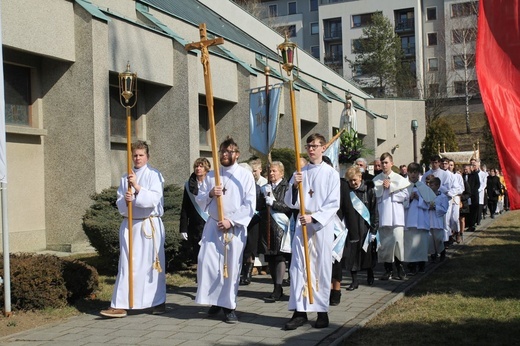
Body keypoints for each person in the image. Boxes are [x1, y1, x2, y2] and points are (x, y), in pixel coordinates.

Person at [100, 141, 166, 318]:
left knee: (151, 265)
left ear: (147, 156)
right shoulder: (125, 177)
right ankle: (121, 303)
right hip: (130, 225)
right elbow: (120, 204)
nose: (137, 158)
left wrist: (137, 188)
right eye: (135, 155)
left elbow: (153, 200)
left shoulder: (154, 175)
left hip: (148, 225)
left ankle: (157, 300)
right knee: (128, 264)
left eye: (141, 155)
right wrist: (126, 200)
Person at [195, 137, 256, 324]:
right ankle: (215, 301)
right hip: (213, 225)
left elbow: (250, 204)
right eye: (222, 151)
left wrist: (232, 221)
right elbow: (200, 199)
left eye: (229, 151)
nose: (225, 154)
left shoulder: (244, 176)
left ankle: (229, 306)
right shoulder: (212, 175)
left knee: (230, 267)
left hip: (233, 228)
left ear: (236, 154)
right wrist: (211, 193)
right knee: (208, 263)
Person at [283, 133, 340, 330]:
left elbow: (333, 203)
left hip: (320, 226)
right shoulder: (301, 171)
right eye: (309, 146)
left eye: (315, 146)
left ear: (323, 148)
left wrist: (314, 218)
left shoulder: (330, 173)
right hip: (301, 224)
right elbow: (290, 202)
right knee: (298, 268)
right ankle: (300, 312)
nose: (311, 149)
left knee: (320, 268)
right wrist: (293, 184)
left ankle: (322, 312)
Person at [373, 152, 410, 280]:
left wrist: (391, 188)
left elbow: (406, 196)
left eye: (386, 162)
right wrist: (382, 188)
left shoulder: (400, 179)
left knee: (398, 242)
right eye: (382, 163)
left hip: (396, 216)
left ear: (392, 163)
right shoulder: (376, 179)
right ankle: (387, 270)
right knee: (385, 244)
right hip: (383, 215)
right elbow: (374, 196)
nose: (384, 165)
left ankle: (400, 269)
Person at [258, 161, 292, 301]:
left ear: (281, 173)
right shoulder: (264, 188)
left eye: (274, 171)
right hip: (267, 227)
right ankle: (275, 286)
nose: (271, 173)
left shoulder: (288, 187)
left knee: (280, 257)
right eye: (270, 171)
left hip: (281, 227)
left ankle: (278, 288)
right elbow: (259, 206)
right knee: (270, 258)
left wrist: (273, 203)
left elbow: (288, 206)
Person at [342, 166, 378, 289]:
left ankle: (370, 273)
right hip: (351, 226)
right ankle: (354, 280)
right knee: (351, 253)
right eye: (350, 180)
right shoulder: (346, 191)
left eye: (355, 180)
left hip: (365, 227)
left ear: (360, 177)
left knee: (366, 253)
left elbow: (374, 211)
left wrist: (374, 229)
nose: (353, 183)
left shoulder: (369, 190)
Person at [404, 163, 435, 275]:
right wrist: (410, 199)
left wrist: (419, 200)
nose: (413, 174)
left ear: (419, 174)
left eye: (415, 172)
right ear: (407, 173)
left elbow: (430, 204)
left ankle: (421, 264)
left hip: (421, 220)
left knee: (421, 244)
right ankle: (411, 265)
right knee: (410, 244)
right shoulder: (404, 187)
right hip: (408, 220)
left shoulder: (424, 188)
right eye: (411, 172)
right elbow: (399, 204)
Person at [179, 158, 211, 267]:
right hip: (195, 224)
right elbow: (185, 207)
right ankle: (200, 274)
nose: (198, 168)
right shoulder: (189, 185)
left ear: (207, 169)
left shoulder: (212, 182)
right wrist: (183, 228)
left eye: (201, 166)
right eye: (196, 166)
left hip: (209, 222)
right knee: (198, 252)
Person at [239, 162, 263, 286]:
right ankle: (240, 272)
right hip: (239, 222)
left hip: (253, 222)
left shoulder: (257, 188)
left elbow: (260, 206)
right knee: (240, 248)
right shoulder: (236, 188)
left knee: (250, 248)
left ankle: (247, 274)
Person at [427, 177, 449, 262]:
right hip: (429, 220)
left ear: (437, 186)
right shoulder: (427, 196)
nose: (430, 187)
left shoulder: (442, 197)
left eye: (432, 185)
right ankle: (433, 254)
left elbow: (444, 209)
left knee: (438, 239)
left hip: (437, 221)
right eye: (430, 185)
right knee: (430, 239)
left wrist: (435, 207)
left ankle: (442, 251)